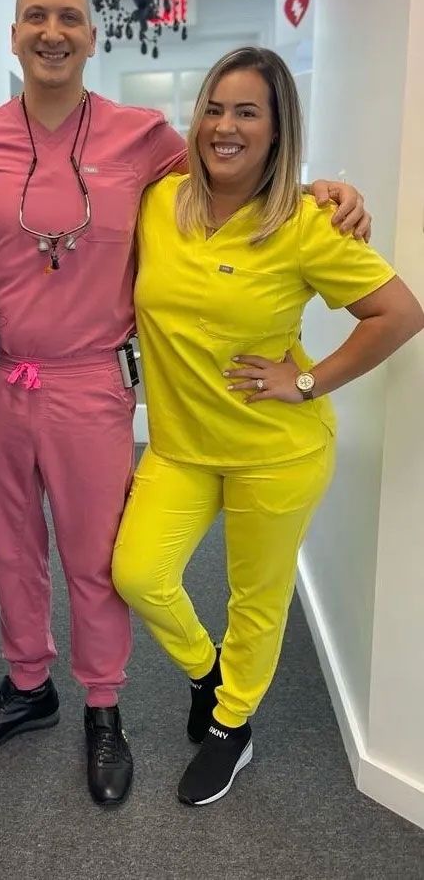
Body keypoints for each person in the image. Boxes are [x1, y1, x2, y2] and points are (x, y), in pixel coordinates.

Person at [0, 0, 371, 808]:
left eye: (69, 17)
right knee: (11, 549)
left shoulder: (143, 137)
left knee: (97, 559)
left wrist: (320, 187)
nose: (52, 32)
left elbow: (233, 163)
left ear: (92, 33)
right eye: (36, 16)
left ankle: (103, 708)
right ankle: (27, 684)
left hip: (91, 386)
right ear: (13, 35)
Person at [111, 46, 423, 808]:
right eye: (214, 109)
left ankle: (232, 725)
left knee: (255, 597)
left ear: (277, 129)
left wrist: (307, 379)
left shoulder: (307, 223)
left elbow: (399, 313)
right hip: (181, 447)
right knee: (138, 574)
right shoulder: (159, 201)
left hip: (274, 452)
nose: (225, 126)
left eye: (247, 112)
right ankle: (206, 672)